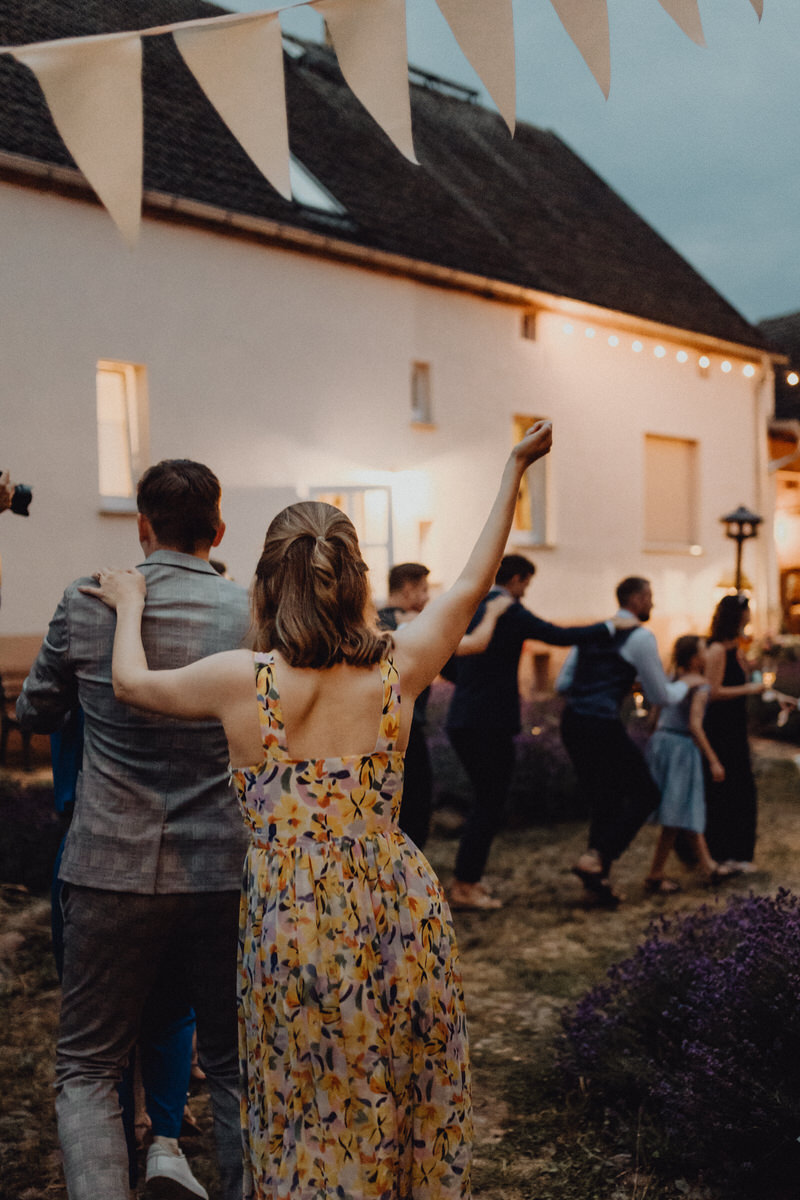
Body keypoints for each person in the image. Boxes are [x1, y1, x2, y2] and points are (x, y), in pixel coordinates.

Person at [81, 420, 555, 1200]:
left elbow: (131, 684)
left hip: (294, 921)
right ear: (357, 579)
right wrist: (514, 467)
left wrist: (131, 599)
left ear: (266, 583)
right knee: (405, 1097)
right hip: (401, 909)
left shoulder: (243, 681)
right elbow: (474, 580)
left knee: (310, 1110)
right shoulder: (399, 666)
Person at [16, 459, 251, 1200]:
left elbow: (33, 714)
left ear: (141, 526)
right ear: (217, 530)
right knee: (239, 1064)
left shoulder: (87, 602)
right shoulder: (252, 611)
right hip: (223, 867)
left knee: (87, 1066)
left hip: (108, 866)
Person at [445, 554, 616, 911]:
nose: (526, 592)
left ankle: (467, 878)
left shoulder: (472, 607)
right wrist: (609, 628)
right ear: (519, 579)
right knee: (489, 802)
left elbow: (445, 660)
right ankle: (465, 884)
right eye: (527, 584)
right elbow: (558, 634)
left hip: (462, 718)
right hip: (488, 722)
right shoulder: (508, 608)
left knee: (485, 800)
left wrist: (470, 687)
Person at [557, 576, 691, 906]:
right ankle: (597, 856)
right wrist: (687, 684)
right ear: (635, 598)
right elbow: (660, 693)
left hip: (573, 723)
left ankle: (596, 883)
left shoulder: (592, 631)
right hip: (601, 723)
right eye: (649, 597)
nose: (652, 603)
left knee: (605, 799)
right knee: (646, 793)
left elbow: (563, 683)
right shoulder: (641, 637)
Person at [378, 562, 510, 848]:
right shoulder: (410, 621)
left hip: (373, 730)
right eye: (424, 590)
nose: (426, 598)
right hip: (406, 729)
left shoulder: (373, 622)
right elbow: (475, 643)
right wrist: (492, 613)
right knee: (416, 808)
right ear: (409, 588)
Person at [643, 635, 738, 895]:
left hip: (662, 744)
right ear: (696, 659)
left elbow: (654, 715)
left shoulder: (672, 678)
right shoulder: (700, 685)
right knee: (680, 806)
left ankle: (706, 865)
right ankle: (659, 873)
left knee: (679, 807)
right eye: (704, 650)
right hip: (682, 749)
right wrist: (714, 759)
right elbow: (695, 726)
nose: (708, 654)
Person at [702, 593, 766, 872]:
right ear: (736, 616)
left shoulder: (736, 647)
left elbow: (744, 673)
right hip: (720, 729)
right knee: (725, 790)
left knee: (742, 788)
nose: (750, 616)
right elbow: (711, 692)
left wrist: (760, 663)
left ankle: (741, 854)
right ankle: (722, 853)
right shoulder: (717, 650)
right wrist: (749, 689)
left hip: (736, 727)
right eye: (747, 611)